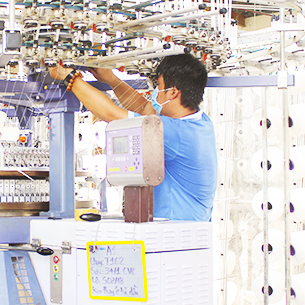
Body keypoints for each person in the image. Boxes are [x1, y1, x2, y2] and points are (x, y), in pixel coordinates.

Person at [50, 53, 217, 222]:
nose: (155, 92)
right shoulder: (200, 122)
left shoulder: (174, 132)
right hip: (191, 228)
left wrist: (69, 77)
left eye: (159, 86)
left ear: (173, 92)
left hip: (176, 230)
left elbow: (113, 116)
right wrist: (111, 79)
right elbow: (144, 108)